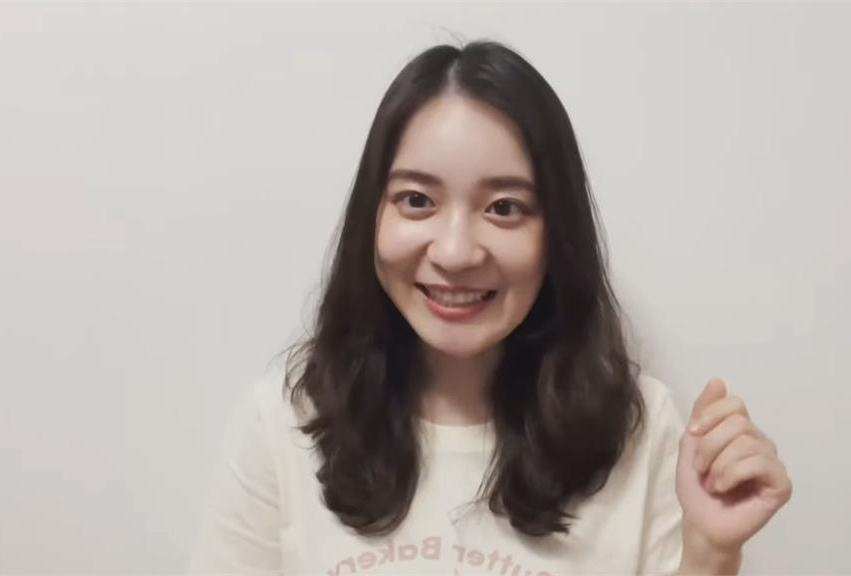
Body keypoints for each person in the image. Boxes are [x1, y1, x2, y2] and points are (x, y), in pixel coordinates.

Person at [188, 40, 792, 576]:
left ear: (557, 234)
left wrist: (711, 553)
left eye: (504, 208)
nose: (455, 253)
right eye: (416, 199)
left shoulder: (641, 429)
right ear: (372, 217)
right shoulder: (285, 423)